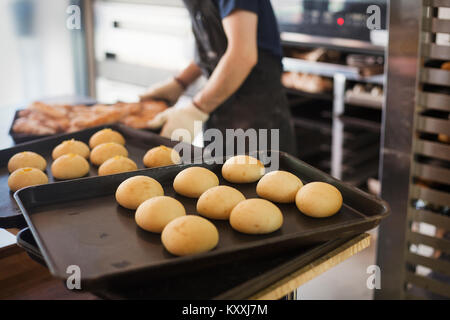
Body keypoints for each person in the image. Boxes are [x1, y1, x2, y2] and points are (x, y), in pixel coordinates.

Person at [142, 0, 296, 156]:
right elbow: (214, 49)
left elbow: (242, 55)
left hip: (256, 119)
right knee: (218, 176)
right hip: (219, 112)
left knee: (260, 177)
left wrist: (196, 109)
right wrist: (180, 83)